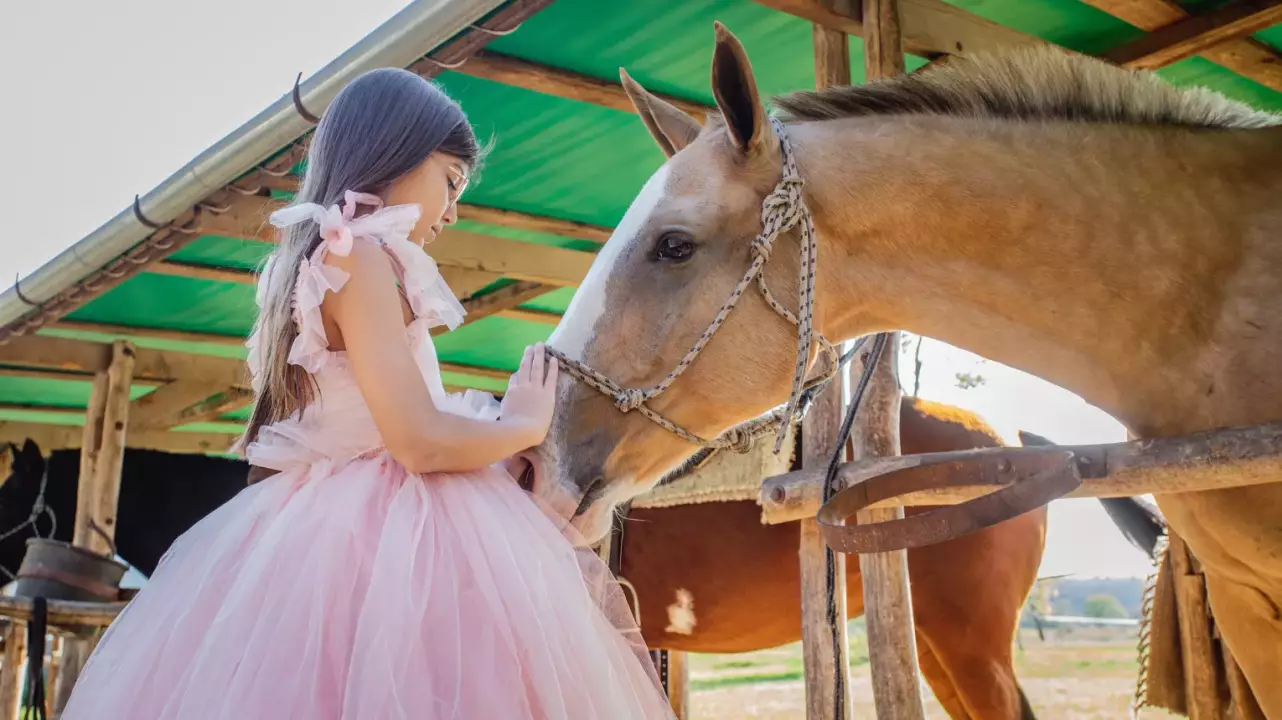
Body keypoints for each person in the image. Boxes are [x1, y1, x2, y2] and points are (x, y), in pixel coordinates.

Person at [60, 68, 675, 719]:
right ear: (396, 152)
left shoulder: (322, 259)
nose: (453, 211)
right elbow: (417, 440)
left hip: (317, 526)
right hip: (382, 529)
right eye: (451, 181)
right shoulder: (357, 256)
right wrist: (521, 425)